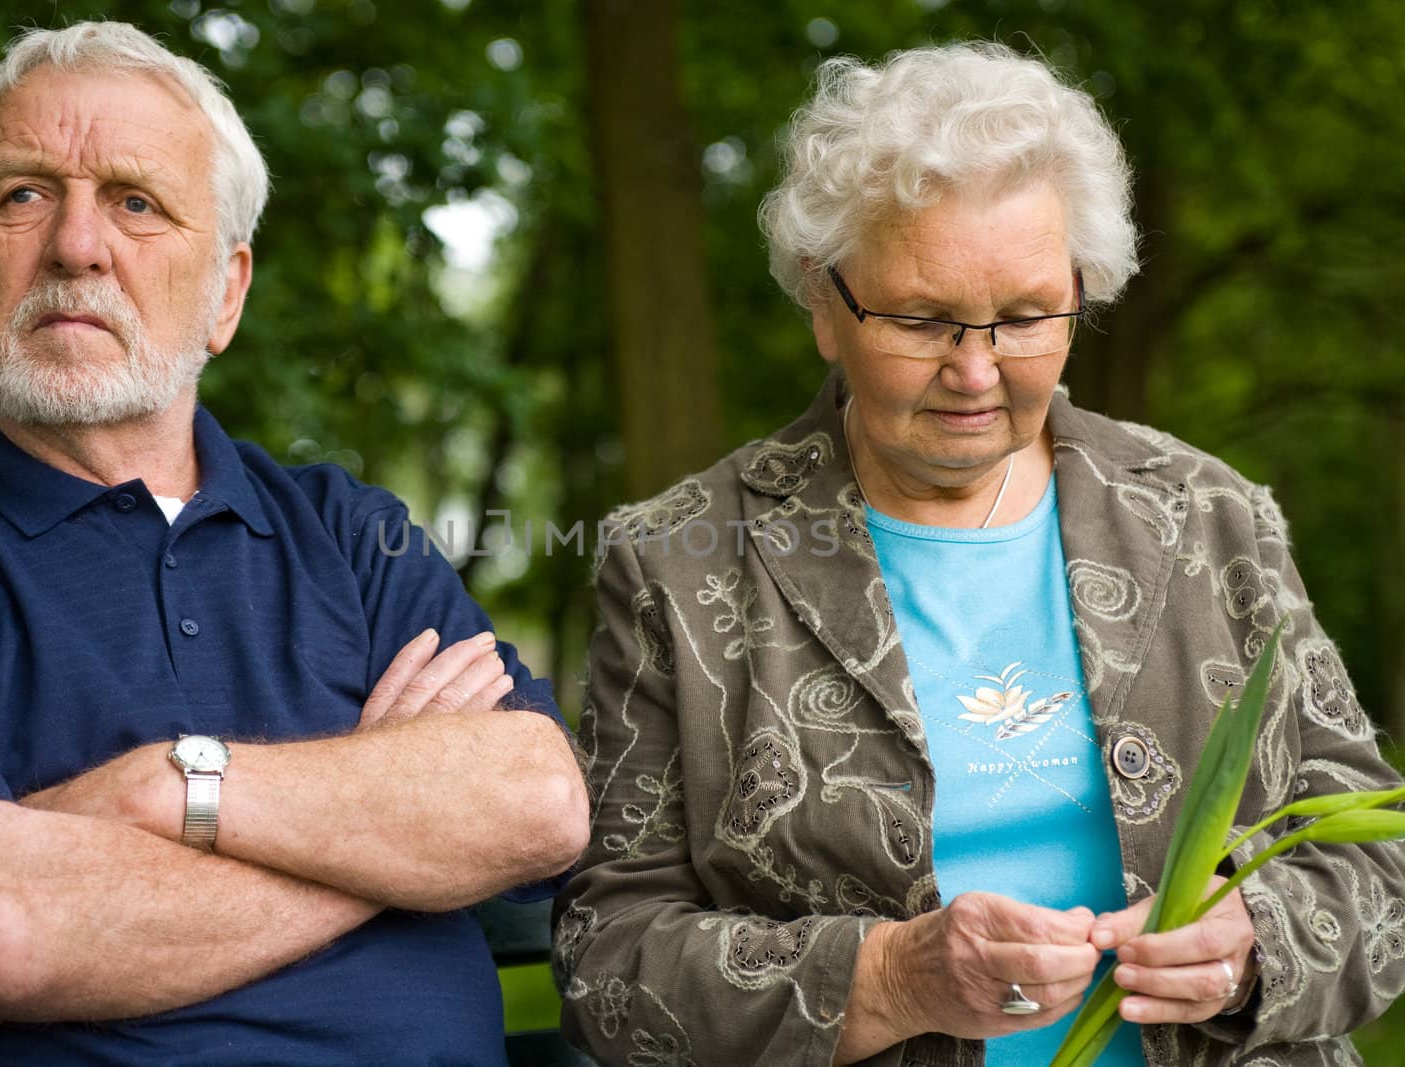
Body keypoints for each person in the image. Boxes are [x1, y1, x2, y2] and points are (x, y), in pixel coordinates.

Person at [555, 42, 1405, 1066]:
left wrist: (1253, 948)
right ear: (823, 302)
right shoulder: (679, 563)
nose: (974, 369)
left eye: (1023, 317)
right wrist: (889, 977)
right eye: (921, 319)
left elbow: (1377, 858)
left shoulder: (1208, 517)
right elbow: (606, 960)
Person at [0, 21, 588, 1065]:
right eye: (22, 193)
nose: (76, 243)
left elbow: (534, 799)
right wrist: (389, 827)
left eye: (135, 202)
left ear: (226, 291)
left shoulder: (352, 534)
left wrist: (162, 787)